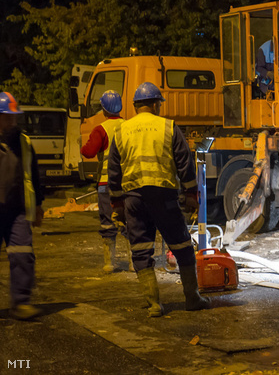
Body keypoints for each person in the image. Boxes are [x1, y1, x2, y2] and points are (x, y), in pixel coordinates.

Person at [107, 82, 210, 317]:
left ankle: (154, 304)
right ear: (155, 104)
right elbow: (184, 163)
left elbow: (113, 169)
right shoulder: (168, 127)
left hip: (133, 198)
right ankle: (192, 298)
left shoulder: (121, 130)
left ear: (135, 106)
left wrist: (117, 204)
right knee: (182, 247)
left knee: (141, 250)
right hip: (163, 196)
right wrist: (191, 195)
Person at [0, 92, 44, 320]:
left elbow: (34, 175)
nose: (11, 121)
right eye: (7, 117)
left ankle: (21, 302)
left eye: (13, 117)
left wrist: (38, 205)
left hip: (18, 211)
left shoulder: (24, 142)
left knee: (22, 254)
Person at [80, 90, 131, 273]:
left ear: (103, 109)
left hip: (105, 183)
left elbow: (88, 152)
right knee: (128, 220)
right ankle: (134, 262)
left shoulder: (101, 129)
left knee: (107, 221)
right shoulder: (129, 126)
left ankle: (110, 263)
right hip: (127, 183)